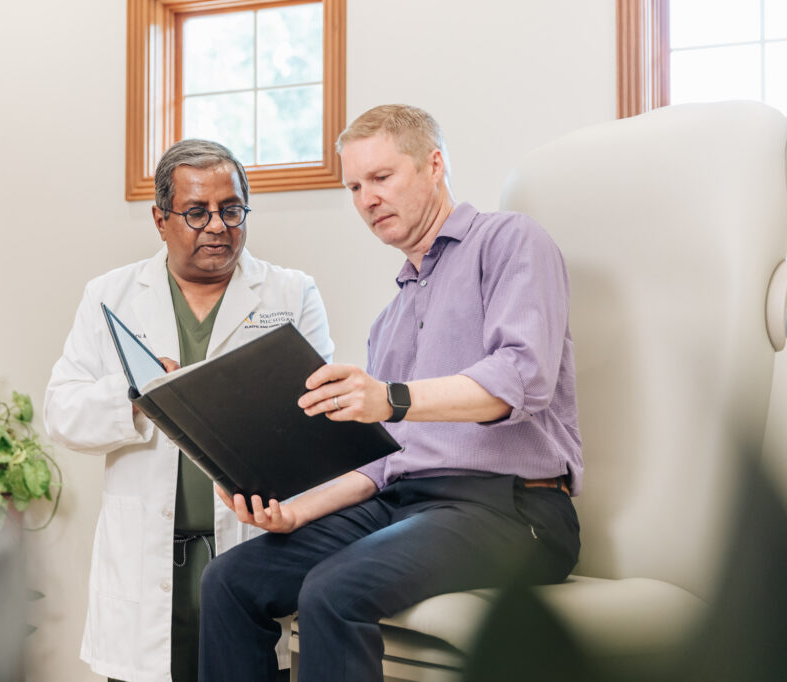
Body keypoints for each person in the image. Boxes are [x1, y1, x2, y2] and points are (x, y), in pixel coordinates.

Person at [198, 104, 584, 681]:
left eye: (381, 178)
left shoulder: (509, 241)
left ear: (434, 165)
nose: (366, 199)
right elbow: (383, 461)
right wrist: (293, 513)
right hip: (407, 504)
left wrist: (392, 398)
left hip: (516, 509)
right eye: (354, 186)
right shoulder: (392, 318)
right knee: (230, 580)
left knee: (333, 589)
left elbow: (522, 377)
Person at [44, 139, 334, 682]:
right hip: (144, 566)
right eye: (196, 213)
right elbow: (61, 412)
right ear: (160, 219)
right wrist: (134, 397)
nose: (218, 227)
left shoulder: (291, 293)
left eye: (231, 210)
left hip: (249, 552)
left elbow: (323, 418)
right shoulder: (111, 294)